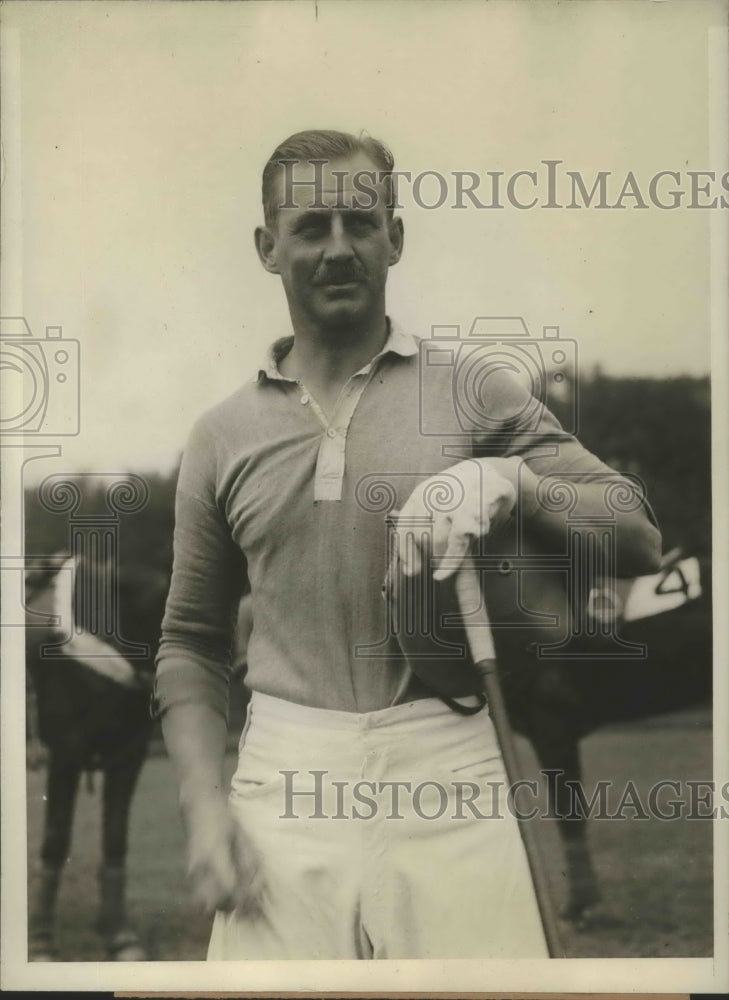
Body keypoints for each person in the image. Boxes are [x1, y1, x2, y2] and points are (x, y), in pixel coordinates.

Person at [154, 129, 661, 960]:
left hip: (449, 764)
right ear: (267, 248)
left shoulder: (472, 390)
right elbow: (189, 642)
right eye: (310, 227)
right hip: (283, 784)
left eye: (360, 222)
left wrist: (514, 481)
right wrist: (205, 809)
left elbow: (635, 535)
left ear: (394, 236)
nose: (338, 248)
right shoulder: (221, 434)